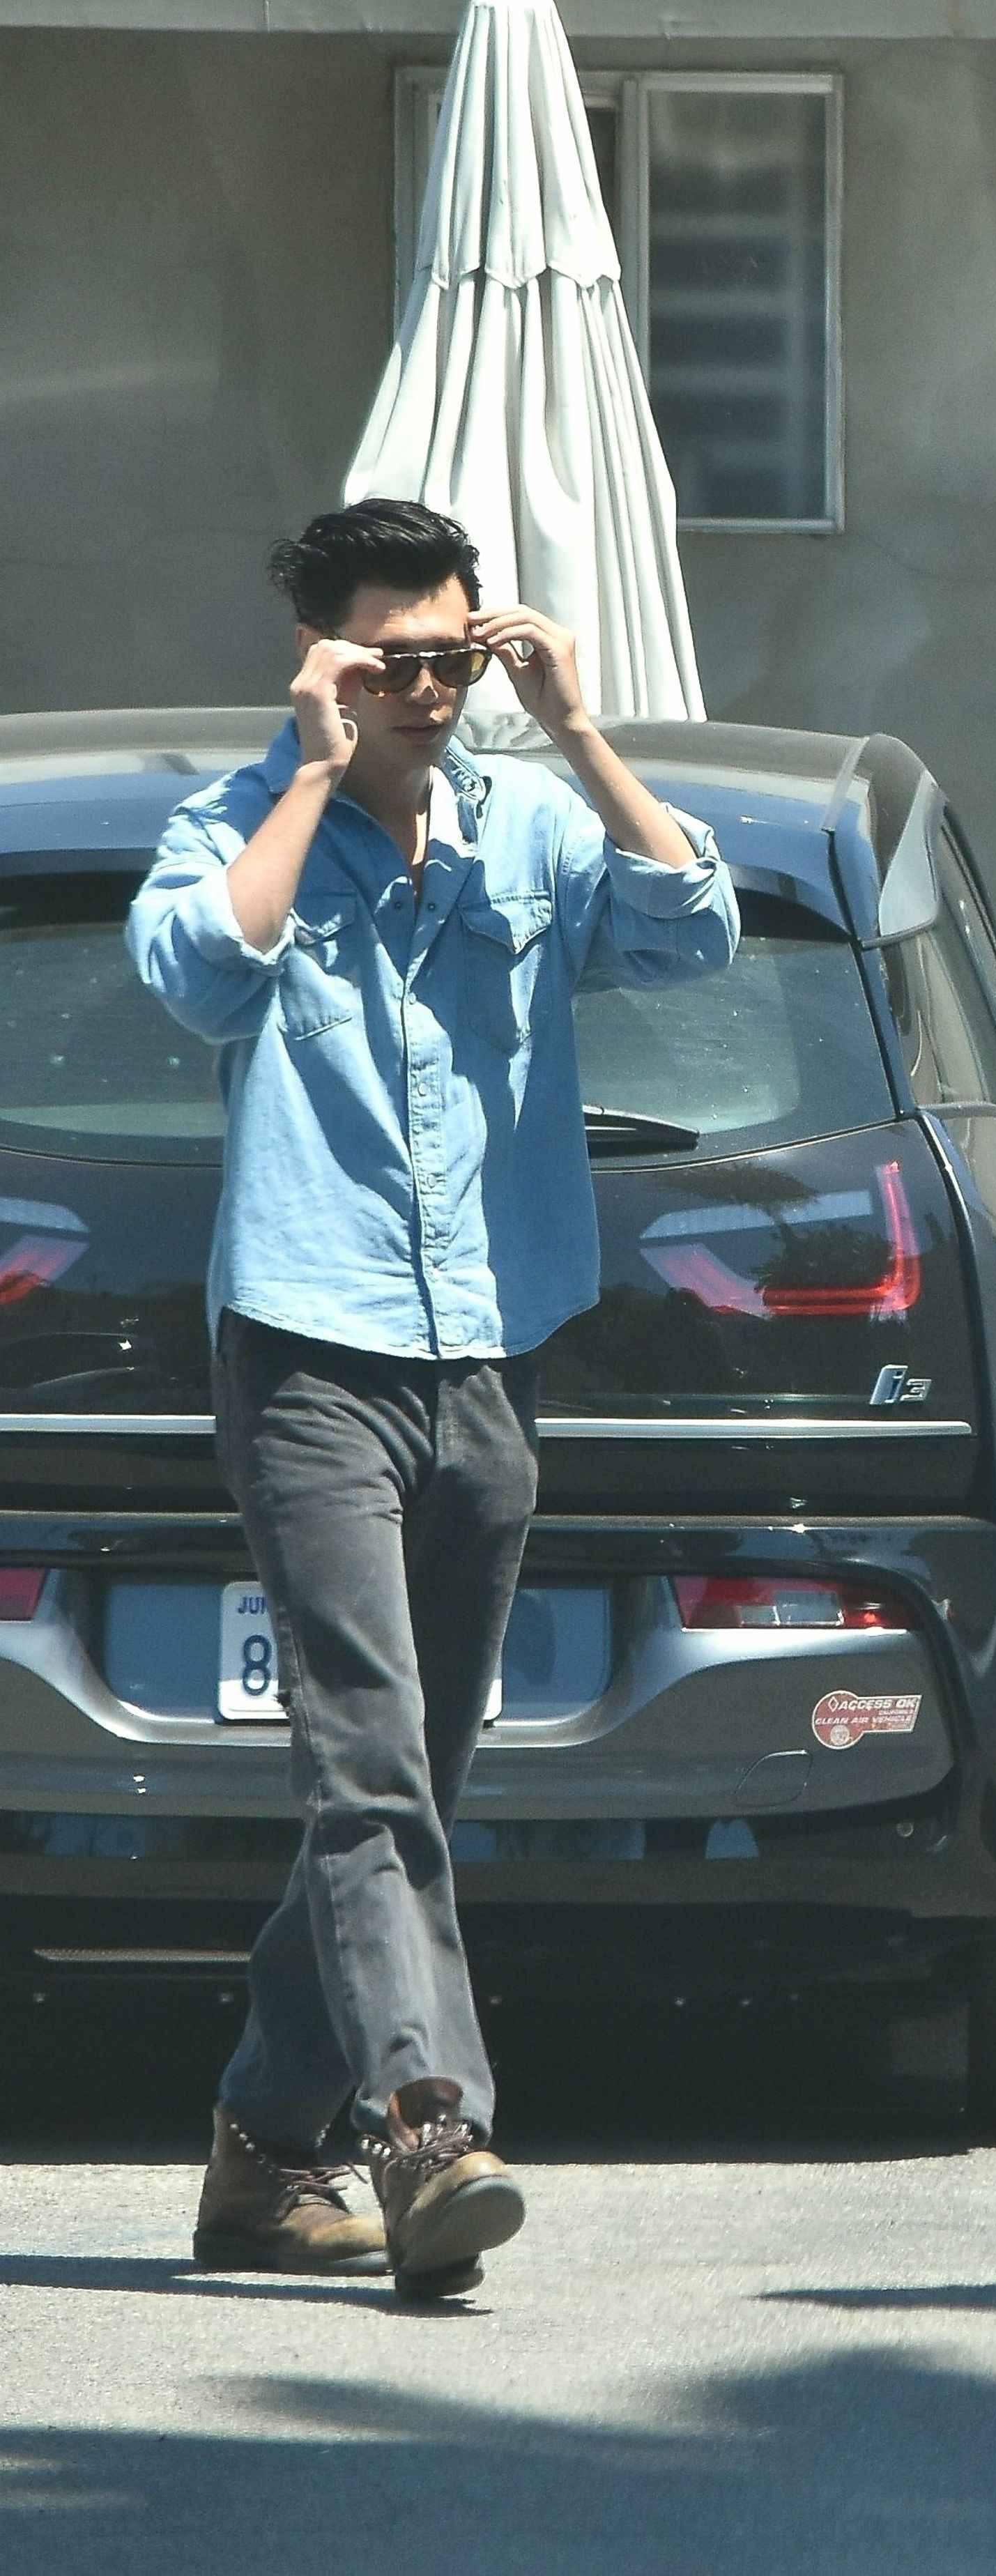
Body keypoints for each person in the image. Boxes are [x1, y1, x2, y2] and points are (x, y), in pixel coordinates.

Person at [127, 500, 738, 2297]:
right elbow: (198, 974)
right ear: (323, 658)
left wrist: (576, 727)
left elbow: (692, 930)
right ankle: (424, 2127)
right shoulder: (236, 821)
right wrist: (313, 774)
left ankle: (261, 2149)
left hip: (487, 1348)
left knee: (416, 1775)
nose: (426, 687)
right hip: (309, 1353)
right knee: (370, 1759)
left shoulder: (528, 823)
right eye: (391, 658)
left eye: (450, 654)